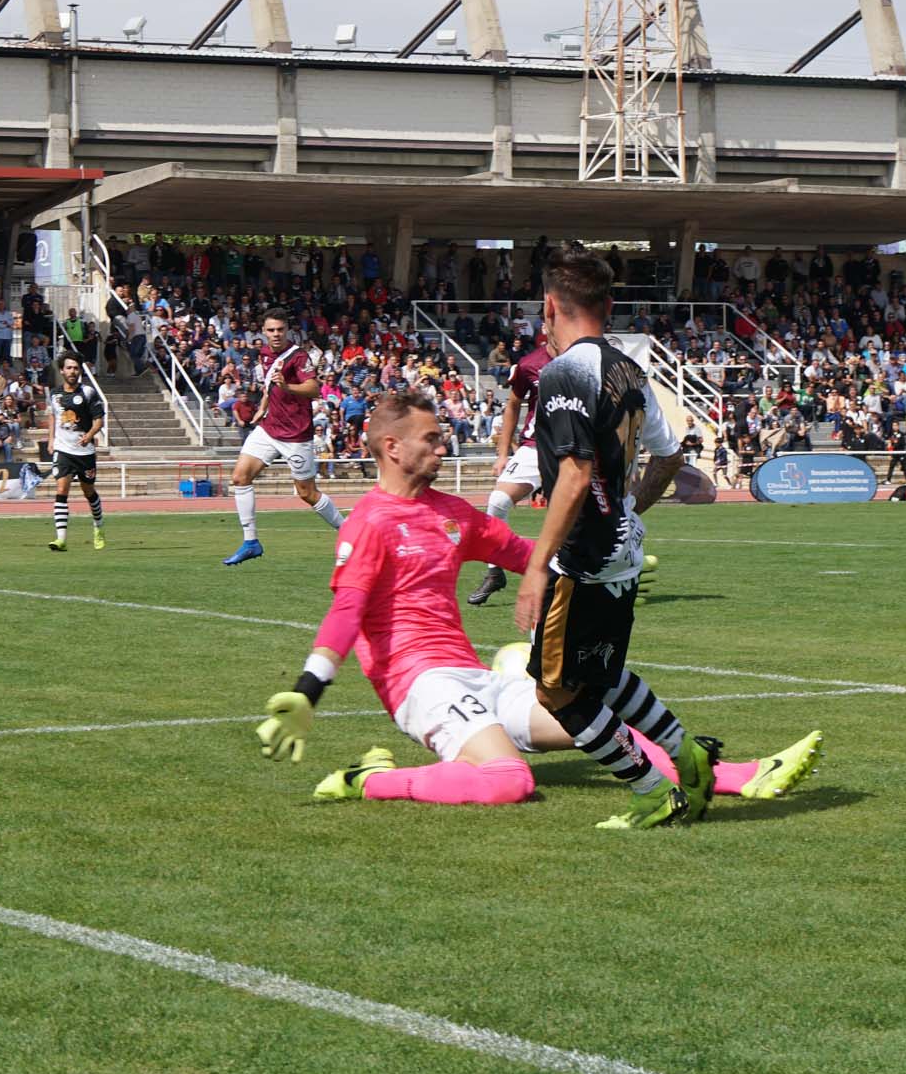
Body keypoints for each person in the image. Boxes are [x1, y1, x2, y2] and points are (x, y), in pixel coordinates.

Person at [254, 390, 824, 811]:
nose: (442, 444)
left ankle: (741, 775)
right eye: (431, 438)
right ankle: (366, 779)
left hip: (478, 679)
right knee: (510, 782)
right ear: (390, 446)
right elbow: (347, 611)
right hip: (420, 686)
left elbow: (531, 553)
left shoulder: (453, 514)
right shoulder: (370, 522)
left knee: (599, 721)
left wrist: (603, 576)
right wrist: (309, 690)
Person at [510, 242, 718, 829]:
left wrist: (534, 567)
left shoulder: (563, 372)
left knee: (555, 691)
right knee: (595, 673)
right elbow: (671, 456)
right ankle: (685, 751)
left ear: (551, 306)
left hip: (586, 557)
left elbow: (574, 475)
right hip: (623, 549)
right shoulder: (630, 368)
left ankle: (651, 790)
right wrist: (629, 506)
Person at [223, 311, 343, 566]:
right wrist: (263, 406)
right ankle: (251, 542)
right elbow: (271, 385)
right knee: (239, 477)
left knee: (307, 493)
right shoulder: (265, 354)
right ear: (263, 332)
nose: (276, 334)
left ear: (287, 330)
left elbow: (313, 388)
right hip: (268, 428)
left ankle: (348, 530)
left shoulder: (299, 356)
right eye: (271, 330)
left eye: (280, 329)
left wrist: (288, 387)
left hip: (296, 434)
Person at [466, 334, 551, 607]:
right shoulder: (530, 363)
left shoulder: (586, 358)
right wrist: (503, 454)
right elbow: (513, 404)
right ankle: (494, 571)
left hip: (574, 449)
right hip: (535, 446)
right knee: (497, 500)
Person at [46, 351, 107, 551]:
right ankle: (61, 539)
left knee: (88, 491)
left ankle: (98, 527)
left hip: (85, 452)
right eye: (69, 367)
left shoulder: (88, 393)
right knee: (61, 490)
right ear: (62, 370)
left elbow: (99, 420)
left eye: (76, 368)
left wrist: (89, 435)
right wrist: (51, 440)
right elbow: (54, 416)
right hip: (63, 450)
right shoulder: (55, 394)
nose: (72, 371)